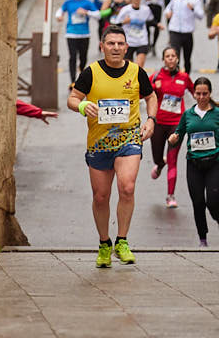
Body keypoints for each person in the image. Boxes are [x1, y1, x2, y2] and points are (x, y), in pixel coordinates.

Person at [67, 25, 157, 267]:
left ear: (127, 47)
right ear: (102, 46)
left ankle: (122, 240)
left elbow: (151, 97)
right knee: (100, 196)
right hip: (99, 142)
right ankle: (104, 243)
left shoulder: (137, 72)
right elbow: (72, 98)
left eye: (120, 44)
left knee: (127, 188)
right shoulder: (91, 72)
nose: (116, 48)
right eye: (111, 43)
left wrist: (151, 119)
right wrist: (83, 106)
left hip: (129, 139)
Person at [168, 76, 219, 247]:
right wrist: (172, 140)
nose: (201, 97)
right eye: (198, 93)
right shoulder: (188, 114)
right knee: (198, 203)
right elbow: (178, 134)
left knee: (213, 202)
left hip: (213, 163)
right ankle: (203, 240)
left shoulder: (218, 114)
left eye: (204, 94)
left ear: (210, 93)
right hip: (194, 164)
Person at [149, 46, 193, 208]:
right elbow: (143, 93)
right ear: (163, 59)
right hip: (159, 123)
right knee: (157, 157)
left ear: (177, 59)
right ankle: (160, 164)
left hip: (177, 124)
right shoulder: (155, 77)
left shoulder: (184, 77)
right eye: (167, 56)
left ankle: (170, 196)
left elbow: (197, 93)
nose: (171, 59)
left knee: (173, 160)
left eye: (173, 56)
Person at [55, 0, 99, 84]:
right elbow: (59, 11)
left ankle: (81, 71)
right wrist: (59, 16)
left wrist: (86, 12)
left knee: (83, 57)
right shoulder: (68, 2)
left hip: (84, 34)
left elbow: (98, 15)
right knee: (72, 57)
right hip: (71, 34)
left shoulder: (87, 3)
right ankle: (73, 81)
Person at [163, 0, 204, 74]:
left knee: (187, 58)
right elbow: (167, 9)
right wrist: (168, 13)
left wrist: (193, 9)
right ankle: (174, 80)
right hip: (175, 31)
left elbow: (201, 15)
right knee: (174, 58)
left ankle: (186, 79)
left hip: (187, 32)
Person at [113, 0, 156, 66]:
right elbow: (116, 25)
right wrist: (124, 22)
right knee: (128, 68)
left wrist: (158, 24)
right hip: (128, 42)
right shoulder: (125, 10)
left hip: (142, 41)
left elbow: (151, 21)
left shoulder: (146, 9)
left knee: (139, 67)